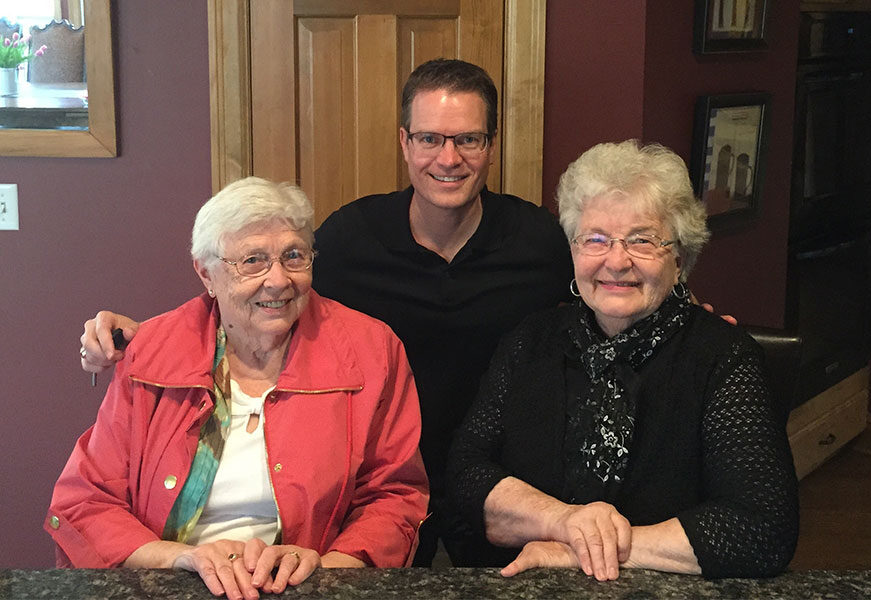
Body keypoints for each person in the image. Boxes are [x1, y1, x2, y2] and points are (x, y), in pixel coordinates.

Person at [77, 59, 574, 566]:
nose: (448, 158)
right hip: (368, 471)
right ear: (405, 142)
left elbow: (595, 316)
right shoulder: (351, 237)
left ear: (491, 145)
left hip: (491, 478)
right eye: (429, 138)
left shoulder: (541, 242)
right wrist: (160, 340)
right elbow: (259, 295)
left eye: (468, 139)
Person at [48, 177, 429, 600]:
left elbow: (395, 496)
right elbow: (87, 500)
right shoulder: (151, 352)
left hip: (310, 585)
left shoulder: (371, 350)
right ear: (206, 273)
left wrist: (326, 567)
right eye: (253, 261)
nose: (279, 280)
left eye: (293, 256)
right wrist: (177, 557)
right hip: (174, 582)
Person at [446, 140, 798, 580]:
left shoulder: (723, 358)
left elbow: (761, 529)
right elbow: (465, 473)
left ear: (680, 258)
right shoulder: (529, 341)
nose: (616, 261)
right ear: (573, 250)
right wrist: (563, 521)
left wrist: (585, 550)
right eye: (595, 239)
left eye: (642, 240)